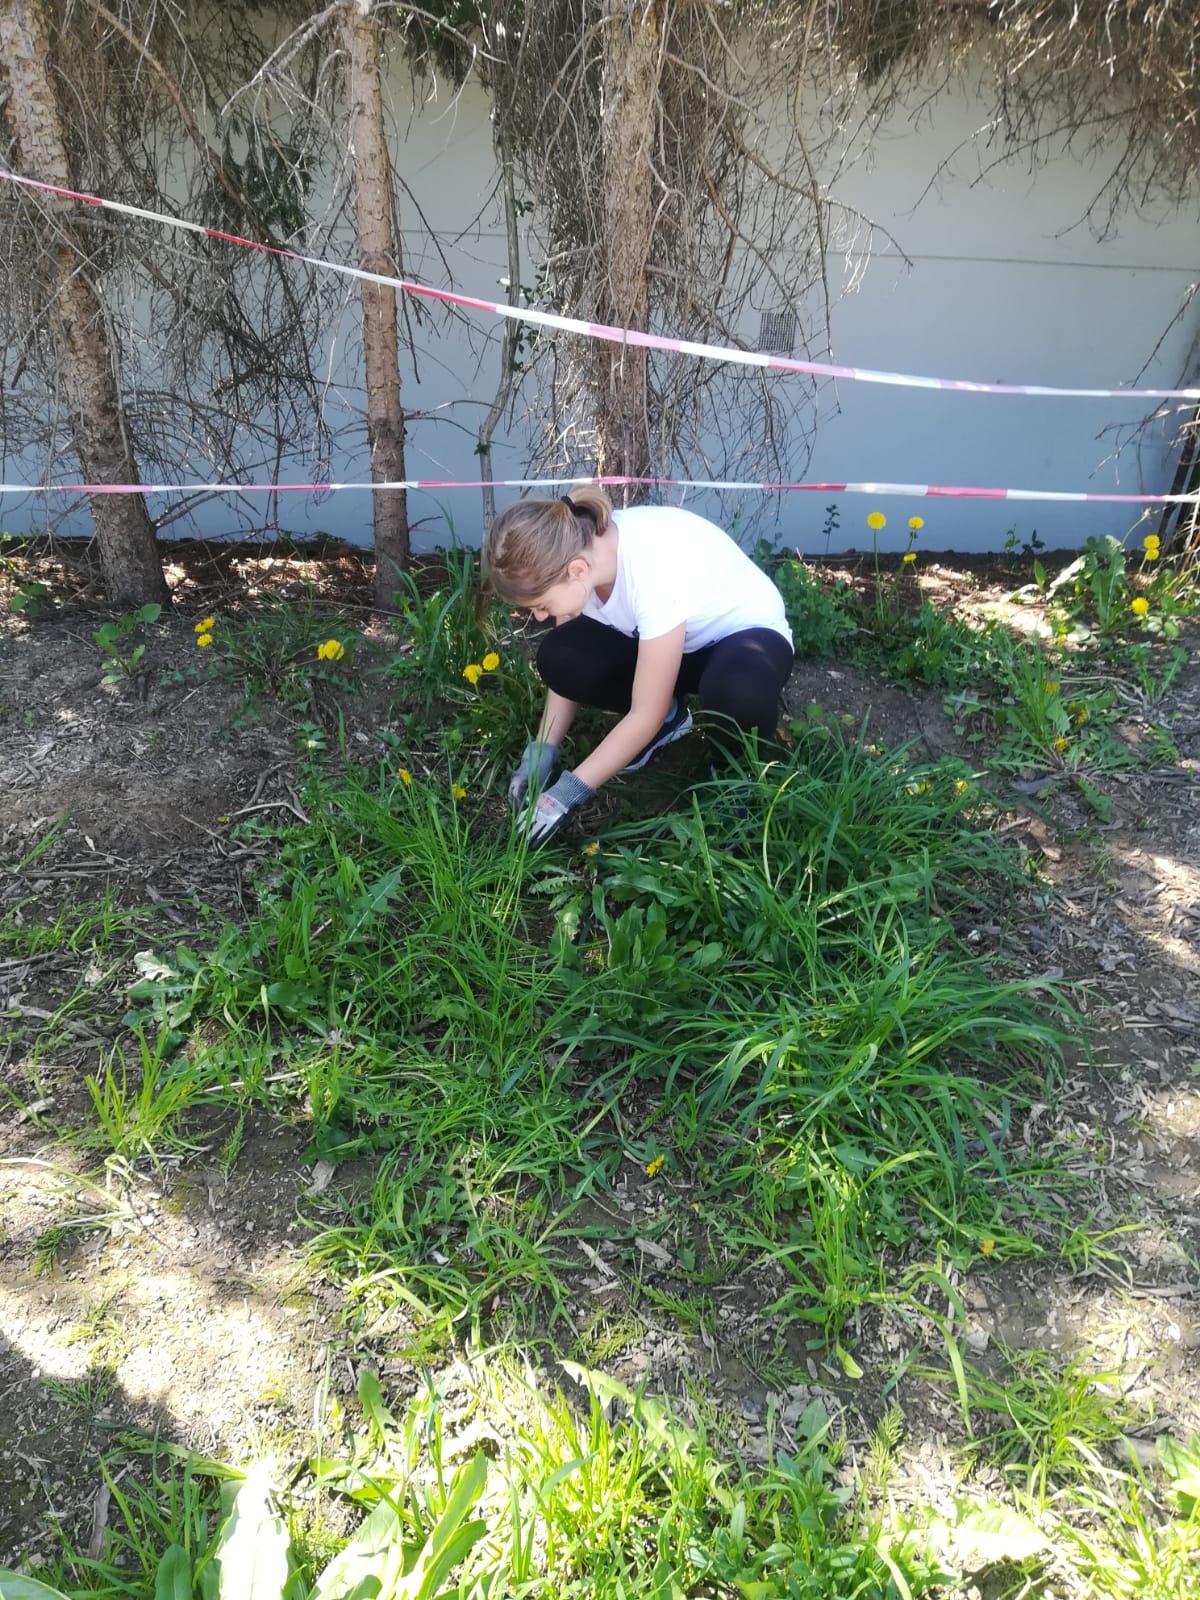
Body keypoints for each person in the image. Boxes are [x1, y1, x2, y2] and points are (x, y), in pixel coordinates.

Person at [485, 486, 795, 846]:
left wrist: (567, 794)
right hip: (672, 643)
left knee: (738, 692)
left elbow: (645, 713)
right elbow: (568, 661)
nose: (539, 616)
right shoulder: (572, 559)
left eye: (541, 605)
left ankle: (735, 773)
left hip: (743, 641)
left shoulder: (651, 568)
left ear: (576, 571)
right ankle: (672, 721)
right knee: (560, 654)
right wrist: (543, 748)